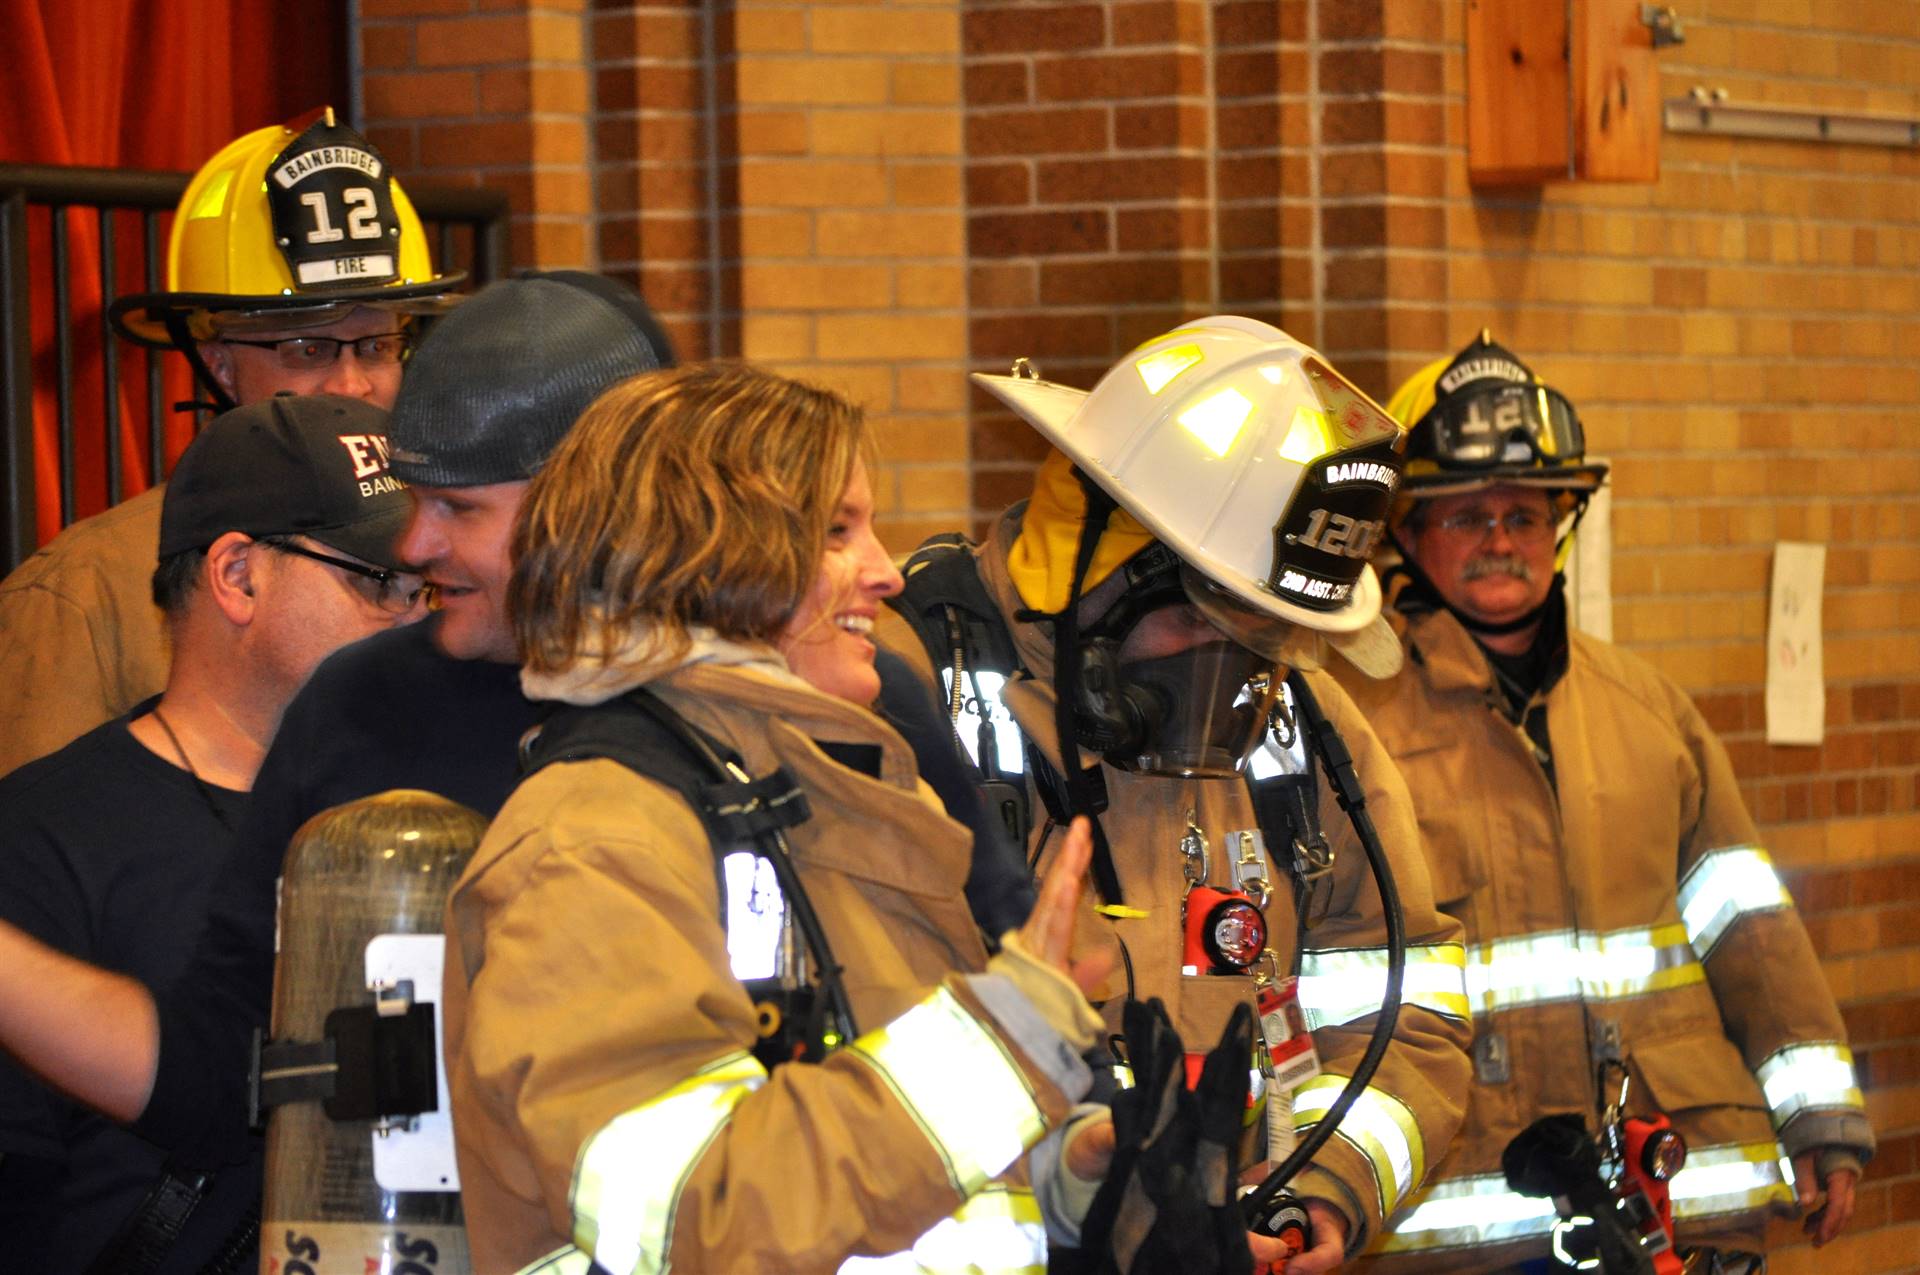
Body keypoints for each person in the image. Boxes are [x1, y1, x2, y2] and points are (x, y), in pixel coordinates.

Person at [0, 273, 1029, 1193]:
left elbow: (1001, 993)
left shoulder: (846, 701)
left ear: (592, 504)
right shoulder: (361, 707)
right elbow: (224, 1073)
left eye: (456, 508)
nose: (414, 544)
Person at [445, 361, 1107, 1272]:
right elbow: (696, 1220)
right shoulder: (597, 838)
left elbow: (875, 1161)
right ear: (704, 556)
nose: (883, 572)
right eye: (837, 533)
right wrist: (1005, 1049)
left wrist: (1063, 1178)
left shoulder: (819, 791)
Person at [878, 316, 1476, 1272]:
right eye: (1211, 625)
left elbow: (1410, 1007)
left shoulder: (1302, 726)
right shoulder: (905, 701)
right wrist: (1108, 1224)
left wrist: (1323, 1190)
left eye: (1273, 641)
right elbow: (861, 1078)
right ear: (1102, 572)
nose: (1245, 679)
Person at [1332, 333, 1873, 1270]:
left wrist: (1819, 1115)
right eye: (1466, 516)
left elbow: (1751, 930)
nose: (1501, 537)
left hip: (1670, 1194)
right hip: (1468, 1216)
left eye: (1525, 513)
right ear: (1406, 537)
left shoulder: (1651, 713)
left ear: (1561, 527)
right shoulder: (1352, 729)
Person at [0, 393, 424, 1271]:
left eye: (429, 585)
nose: (416, 615)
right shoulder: (41, 838)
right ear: (238, 575)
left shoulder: (427, 811)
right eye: (378, 582)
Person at [0, 107, 460, 775]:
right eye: (307, 347)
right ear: (218, 363)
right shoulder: (85, 596)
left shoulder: (455, 552)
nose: (354, 384)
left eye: (378, 344)